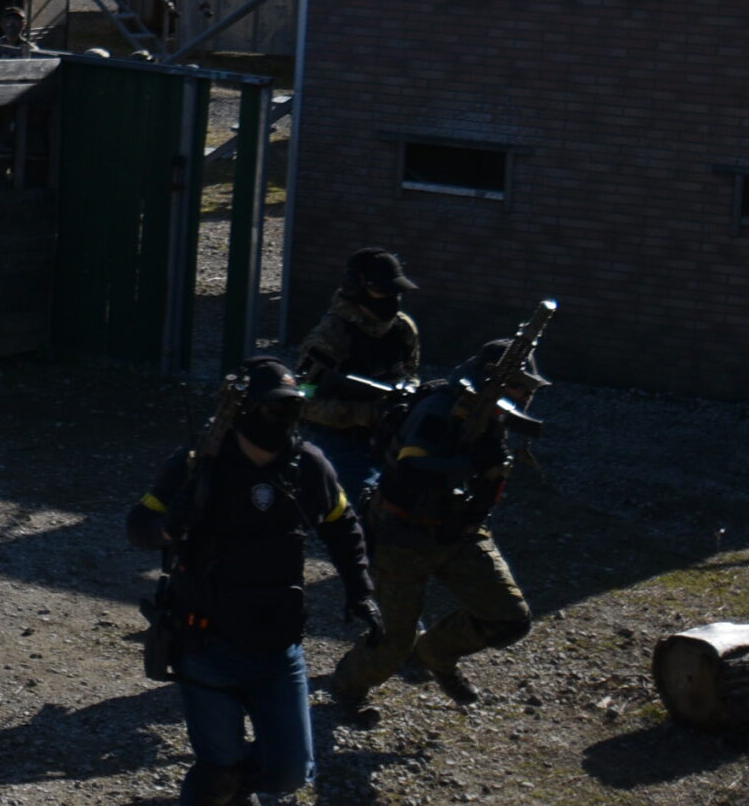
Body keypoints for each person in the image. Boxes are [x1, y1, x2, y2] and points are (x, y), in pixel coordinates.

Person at [129, 357, 381, 806]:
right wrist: (170, 526)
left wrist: (360, 589)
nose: (283, 419)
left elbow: (343, 525)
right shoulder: (197, 464)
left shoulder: (308, 466)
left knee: (290, 771)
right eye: (273, 408)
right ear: (244, 412)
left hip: (278, 646)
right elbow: (139, 526)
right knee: (218, 769)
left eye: (293, 408)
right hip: (206, 644)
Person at [327, 338, 547, 715]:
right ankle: (348, 687)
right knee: (395, 641)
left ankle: (433, 653)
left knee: (509, 619)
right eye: (519, 386)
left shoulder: (491, 417)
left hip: (458, 531)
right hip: (401, 533)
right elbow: (411, 470)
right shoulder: (439, 409)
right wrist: (472, 463)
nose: (526, 397)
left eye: (529, 389)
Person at [295, 247, 422, 506]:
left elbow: (411, 373)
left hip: (388, 439)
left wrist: (405, 397)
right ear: (355, 289)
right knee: (362, 506)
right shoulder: (330, 336)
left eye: (395, 292)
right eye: (383, 291)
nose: (391, 299)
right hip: (339, 443)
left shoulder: (402, 329)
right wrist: (364, 413)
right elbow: (302, 399)